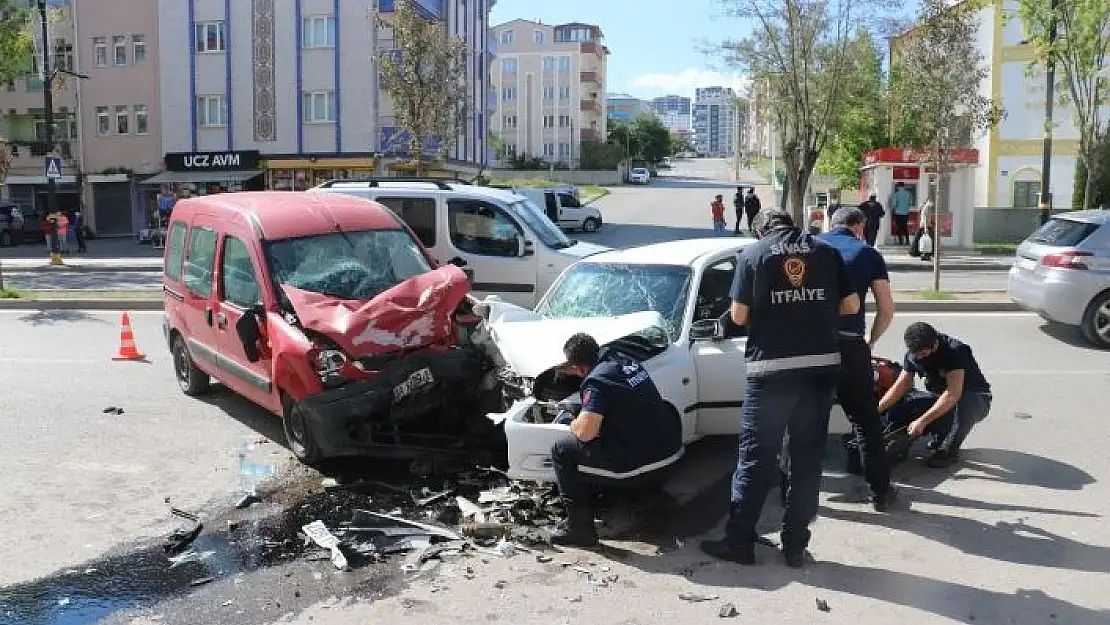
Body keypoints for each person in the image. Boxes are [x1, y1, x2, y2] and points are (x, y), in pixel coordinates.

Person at [700, 209, 860, 568]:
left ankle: (739, 542)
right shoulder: (826, 251)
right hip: (820, 370)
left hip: (771, 373)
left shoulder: (753, 256)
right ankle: (794, 547)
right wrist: (814, 309)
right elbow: (851, 305)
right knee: (806, 460)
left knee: (755, 460)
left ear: (760, 233)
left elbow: (739, 316)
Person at [548, 333, 685, 547]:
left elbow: (585, 433)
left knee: (562, 450)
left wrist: (571, 420)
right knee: (622, 431)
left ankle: (579, 529)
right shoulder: (625, 360)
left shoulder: (597, 382)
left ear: (578, 367)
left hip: (641, 463)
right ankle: (650, 497)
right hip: (670, 454)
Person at [819, 208, 898, 510]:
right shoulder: (868, 254)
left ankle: (793, 492)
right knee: (865, 421)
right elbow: (886, 308)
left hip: (814, 348)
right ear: (859, 226)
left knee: (806, 421)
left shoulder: (811, 248)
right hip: (852, 347)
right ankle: (881, 492)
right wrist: (870, 341)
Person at [877, 322, 992, 468]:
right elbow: (900, 386)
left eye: (923, 354)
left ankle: (949, 449)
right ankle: (941, 432)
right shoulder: (913, 355)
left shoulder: (955, 351)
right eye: (916, 354)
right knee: (909, 403)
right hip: (942, 398)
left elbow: (953, 394)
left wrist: (923, 421)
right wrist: (877, 410)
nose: (919, 357)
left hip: (975, 400)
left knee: (969, 401)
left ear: (935, 344)